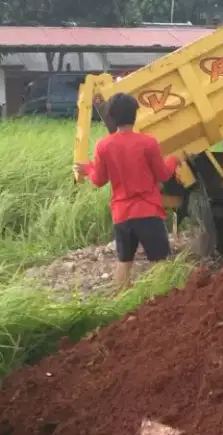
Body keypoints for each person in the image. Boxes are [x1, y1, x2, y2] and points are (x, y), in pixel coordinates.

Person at [75, 93, 180, 292]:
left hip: (122, 215)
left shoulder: (104, 145)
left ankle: (121, 306)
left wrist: (87, 168)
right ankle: (161, 305)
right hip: (147, 211)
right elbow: (163, 175)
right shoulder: (148, 143)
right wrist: (175, 160)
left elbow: (98, 180)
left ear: (112, 117)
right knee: (161, 263)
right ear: (135, 115)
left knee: (124, 262)